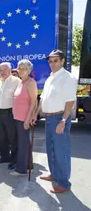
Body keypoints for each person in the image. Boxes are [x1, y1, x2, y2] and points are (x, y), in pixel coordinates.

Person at [31, 49, 77, 193]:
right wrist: (36, 113)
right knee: (51, 148)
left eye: (55, 60)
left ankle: (64, 183)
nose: (52, 63)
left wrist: (63, 120)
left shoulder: (67, 78)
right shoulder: (50, 77)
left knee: (61, 150)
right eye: (50, 61)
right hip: (49, 117)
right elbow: (43, 98)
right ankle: (54, 174)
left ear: (62, 61)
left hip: (59, 117)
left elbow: (70, 102)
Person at [10, 60, 38, 176]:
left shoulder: (31, 83)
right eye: (19, 68)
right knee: (21, 143)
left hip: (23, 118)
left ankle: (21, 170)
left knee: (23, 144)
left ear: (28, 71)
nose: (20, 70)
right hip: (17, 117)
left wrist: (28, 119)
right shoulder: (21, 82)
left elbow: (33, 102)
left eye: (23, 68)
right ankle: (26, 165)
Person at [0, 62, 21, 170]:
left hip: (10, 112)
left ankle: (15, 160)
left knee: (13, 137)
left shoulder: (16, 81)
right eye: (1, 70)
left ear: (10, 70)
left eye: (5, 69)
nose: (2, 72)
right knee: (2, 136)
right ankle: (5, 157)